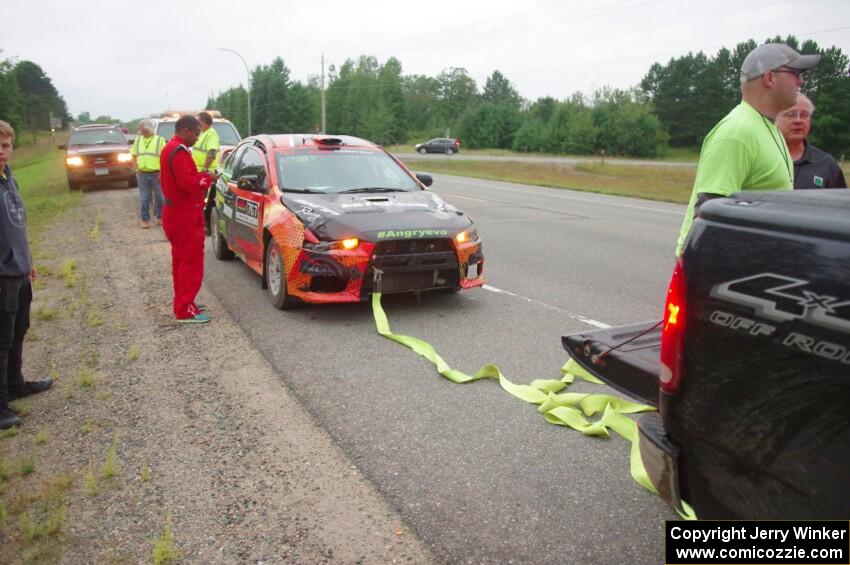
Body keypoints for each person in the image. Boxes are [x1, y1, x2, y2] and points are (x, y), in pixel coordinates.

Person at [676, 43, 821, 256]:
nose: (801, 81)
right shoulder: (737, 131)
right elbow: (710, 213)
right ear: (769, 78)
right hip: (718, 269)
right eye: (795, 73)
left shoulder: (768, 127)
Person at [0, 121, 52, 429]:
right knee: (1, 339)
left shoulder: (9, 178)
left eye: (6, 145)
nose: (1, 151)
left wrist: (28, 259)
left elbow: (17, 225)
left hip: (19, 269)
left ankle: (15, 384)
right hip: (2, 274)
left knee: (19, 329)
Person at [160, 115, 218, 324]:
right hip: (183, 216)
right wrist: (206, 179)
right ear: (185, 131)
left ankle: (184, 302)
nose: (197, 138)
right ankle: (185, 310)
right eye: (195, 134)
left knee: (181, 262)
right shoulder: (178, 152)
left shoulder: (172, 148)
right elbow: (189, 184)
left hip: (177, 214)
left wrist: (200, 176)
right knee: (190, 263)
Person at [776, 94, 847, 189]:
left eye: (804, 115)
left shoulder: (826, 164)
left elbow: (838, 202)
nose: (798, 120)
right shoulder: (759, 158)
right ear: (774, 119)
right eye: (790, 114)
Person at [130, 120, 167, 228]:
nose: (141, 132)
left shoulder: (159, 140)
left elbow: (164, 157)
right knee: (144, 198)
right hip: (143, 174)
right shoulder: (138, 140)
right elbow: (133, 155)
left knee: (160, 197)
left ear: (148, 129)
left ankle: (160, 217)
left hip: (157, 174)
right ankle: (145, 220)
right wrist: (136, 168)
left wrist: (162, 172)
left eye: (142, 130)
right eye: (140, 130)